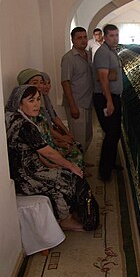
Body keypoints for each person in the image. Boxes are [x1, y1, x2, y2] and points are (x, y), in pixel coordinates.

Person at [5, 84, 91, 231]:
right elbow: (48, 152)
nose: (37, 104)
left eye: (38, 99)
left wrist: (53, 165)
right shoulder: (23, 125)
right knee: (69, 177)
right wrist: (70, 166)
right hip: (25, 176)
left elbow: (38, 152)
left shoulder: (16, 118)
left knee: (61, 174)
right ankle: (67, 219)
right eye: (31, 100)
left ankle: (65, 216)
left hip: (28, 169)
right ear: (19, 102)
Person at [17, 68, 84, 168]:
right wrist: (59, 143)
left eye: (42, 82)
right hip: (43, 153)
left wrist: (65, 135)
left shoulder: (42, 102)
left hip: (49, 144)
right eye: (35, 83)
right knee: (72, 156)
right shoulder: (25, 114)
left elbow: (50, 124)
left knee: (75, 147)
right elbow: (39, 143)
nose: (42, 86)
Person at [92, 24, 123, 181]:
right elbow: (103, 78)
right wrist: (109, 101)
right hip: (105, 98)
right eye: (111, 35)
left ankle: (110, 164)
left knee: (115, 133)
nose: (115, 38)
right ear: (104, 37)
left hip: (112, 97)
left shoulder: (112, 52)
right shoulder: (103, 53)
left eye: (117, 35)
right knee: (111, 134)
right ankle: (105, 172)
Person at [61, 26, 94, 154]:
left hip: (87, 101)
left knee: (87, 135)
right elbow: (65, 82)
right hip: (76, 103)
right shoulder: (68, 58)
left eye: (85, 37)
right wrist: (72, 106)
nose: (83, 40)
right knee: (78, 137)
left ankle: (82, 163)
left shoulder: (88, 55)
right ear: (72, 40)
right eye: (79, 38)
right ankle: (78, 168)